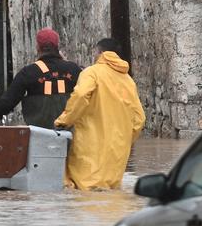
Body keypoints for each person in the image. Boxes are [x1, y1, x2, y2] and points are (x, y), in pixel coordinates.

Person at [54, 38, 145, 190]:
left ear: (100, 53)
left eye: (95, 53)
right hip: (117, 155)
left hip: (89, 149)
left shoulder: (92, 73)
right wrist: (124, 140)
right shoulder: (128, 81)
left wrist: (63, 121)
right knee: (112, 203)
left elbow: (81, 95)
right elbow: (140, 119)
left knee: (85, 197)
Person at [0, 27, 82, 129]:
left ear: (37, 47)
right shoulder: (74, 69)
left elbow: (6, 104)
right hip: (70, 137)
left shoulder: (28, 72)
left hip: (40, 137)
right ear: (57, 46)